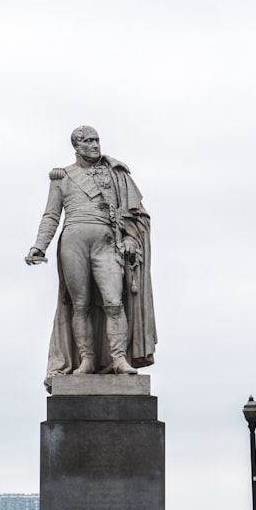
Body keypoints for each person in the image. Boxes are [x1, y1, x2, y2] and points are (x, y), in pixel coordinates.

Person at [26, 125, 156, 386]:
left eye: (97, 140)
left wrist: (130, 237)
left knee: (114, 301)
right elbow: (51, 215)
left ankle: (119, 358)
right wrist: (39, 246)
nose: (95, 145)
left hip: (106, 242)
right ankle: (86, 359)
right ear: (76, 146)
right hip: (73, 241)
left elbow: (134, 213)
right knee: (80, 306)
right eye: (88, 141)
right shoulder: (62, 177)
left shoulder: (115, 173)